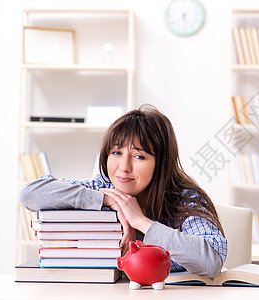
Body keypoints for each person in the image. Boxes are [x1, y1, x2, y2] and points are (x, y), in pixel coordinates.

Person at [19, 104, 227, 278]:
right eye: (116, 152)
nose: (124, 167)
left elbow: (211, 262)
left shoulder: (184, 200)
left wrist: (141, 222)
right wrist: (105, 200)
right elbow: (29, 194)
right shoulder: (104, 188)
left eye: (139, 156)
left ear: (161, 163)